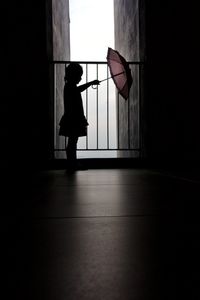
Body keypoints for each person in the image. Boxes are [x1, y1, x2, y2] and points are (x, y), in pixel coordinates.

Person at [59, 62, 100, 171]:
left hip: (71, 118)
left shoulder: (69, 85)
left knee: (72, 141)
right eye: (79, 76)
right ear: (74, 75)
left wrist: (91, 82)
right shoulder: (70, 87)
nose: (80, 78)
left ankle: (72, 163)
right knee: (72, 141)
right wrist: (91, 82)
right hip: (74, 118)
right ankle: (72, 164)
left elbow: (78, 89)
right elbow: (78, 90)